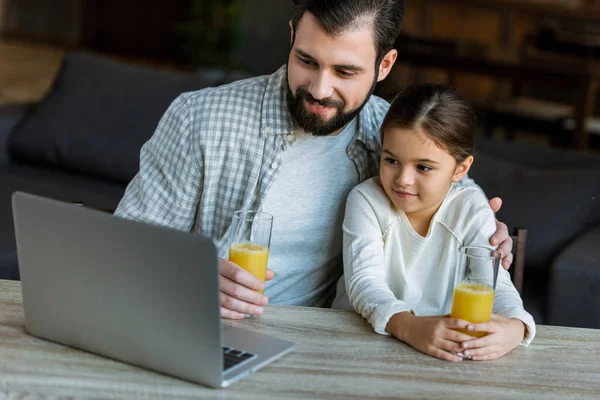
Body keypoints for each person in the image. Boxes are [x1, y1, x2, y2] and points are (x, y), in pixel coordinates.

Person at [114, 0, 515, 320]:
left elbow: (454, 185)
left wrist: (487, 230)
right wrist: (187, 277)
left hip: (327, 346)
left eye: (345, 71)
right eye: (307, 61)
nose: (320, 89)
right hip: (201, 326)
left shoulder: (389, 135)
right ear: (291, 35)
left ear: (385, 65)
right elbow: (123, 249)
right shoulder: (200, 120)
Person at [332, 84, 535, 361]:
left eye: (423, 167)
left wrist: (516, 326)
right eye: (391, 160)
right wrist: (410, 327)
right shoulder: (366, 200)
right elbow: (364, 283)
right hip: (353, 343)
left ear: (460, 169)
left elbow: (493, 285)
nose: (403, 179)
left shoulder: (471, 208)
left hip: (434, 347)